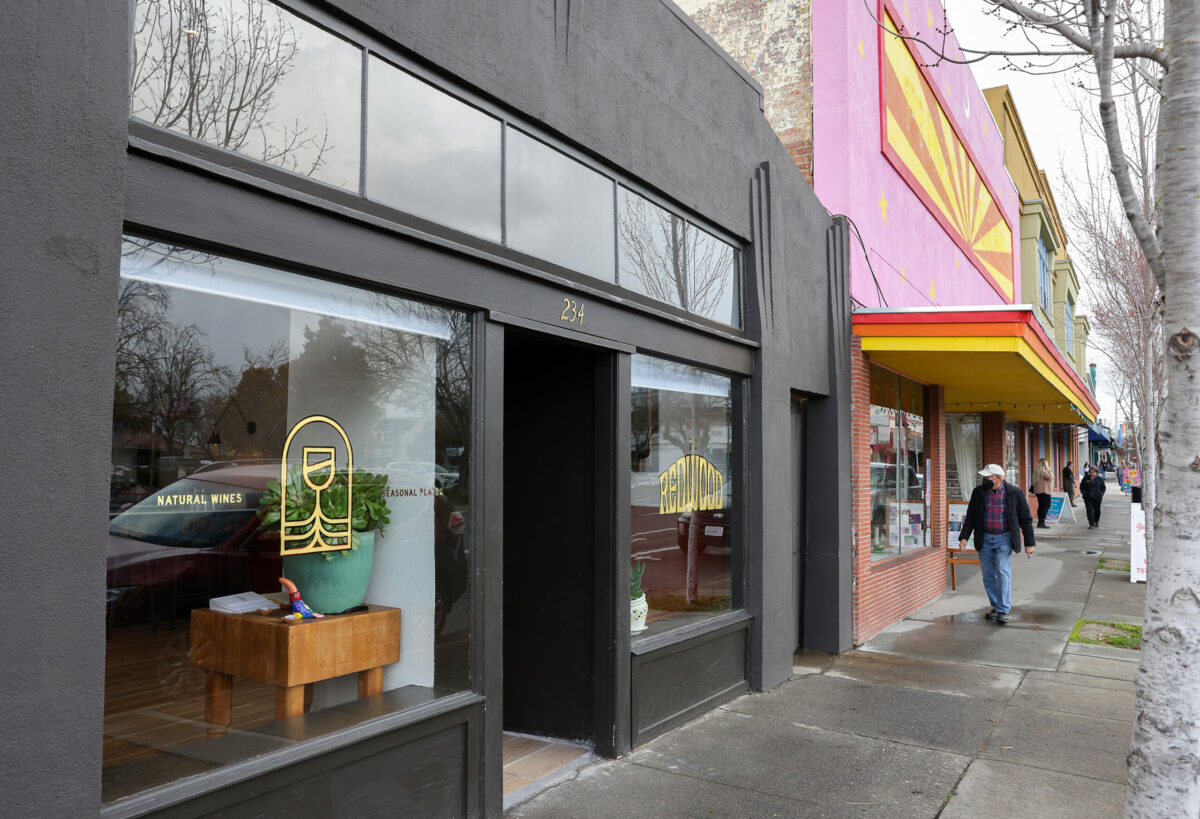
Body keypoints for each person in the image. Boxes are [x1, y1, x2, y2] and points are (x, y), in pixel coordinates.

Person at [958, 463, 1036, 625]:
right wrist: (964, 537)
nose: (984, 480)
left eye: (987, 477)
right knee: (988, 576)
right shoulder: (978, 492)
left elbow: (1026, 519)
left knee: (1002, 571)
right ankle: (996, 605)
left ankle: (1003, 609)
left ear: (999, 478)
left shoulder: (1015, 493)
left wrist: (1030, 543)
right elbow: (970, 516)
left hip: (1004, 538)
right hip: (984, 538)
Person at [1032, 457, 1054, 528]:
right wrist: (1050, 470)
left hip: (1038, 492)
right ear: (1045, 464)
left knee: (1041, 506)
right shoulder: (1044, 470)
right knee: (1046, 506)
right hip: (1045, 491)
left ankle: (1040, 522)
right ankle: (1042, 523)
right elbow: (1051, 477)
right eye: (1047, 463)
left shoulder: (1037, 470)